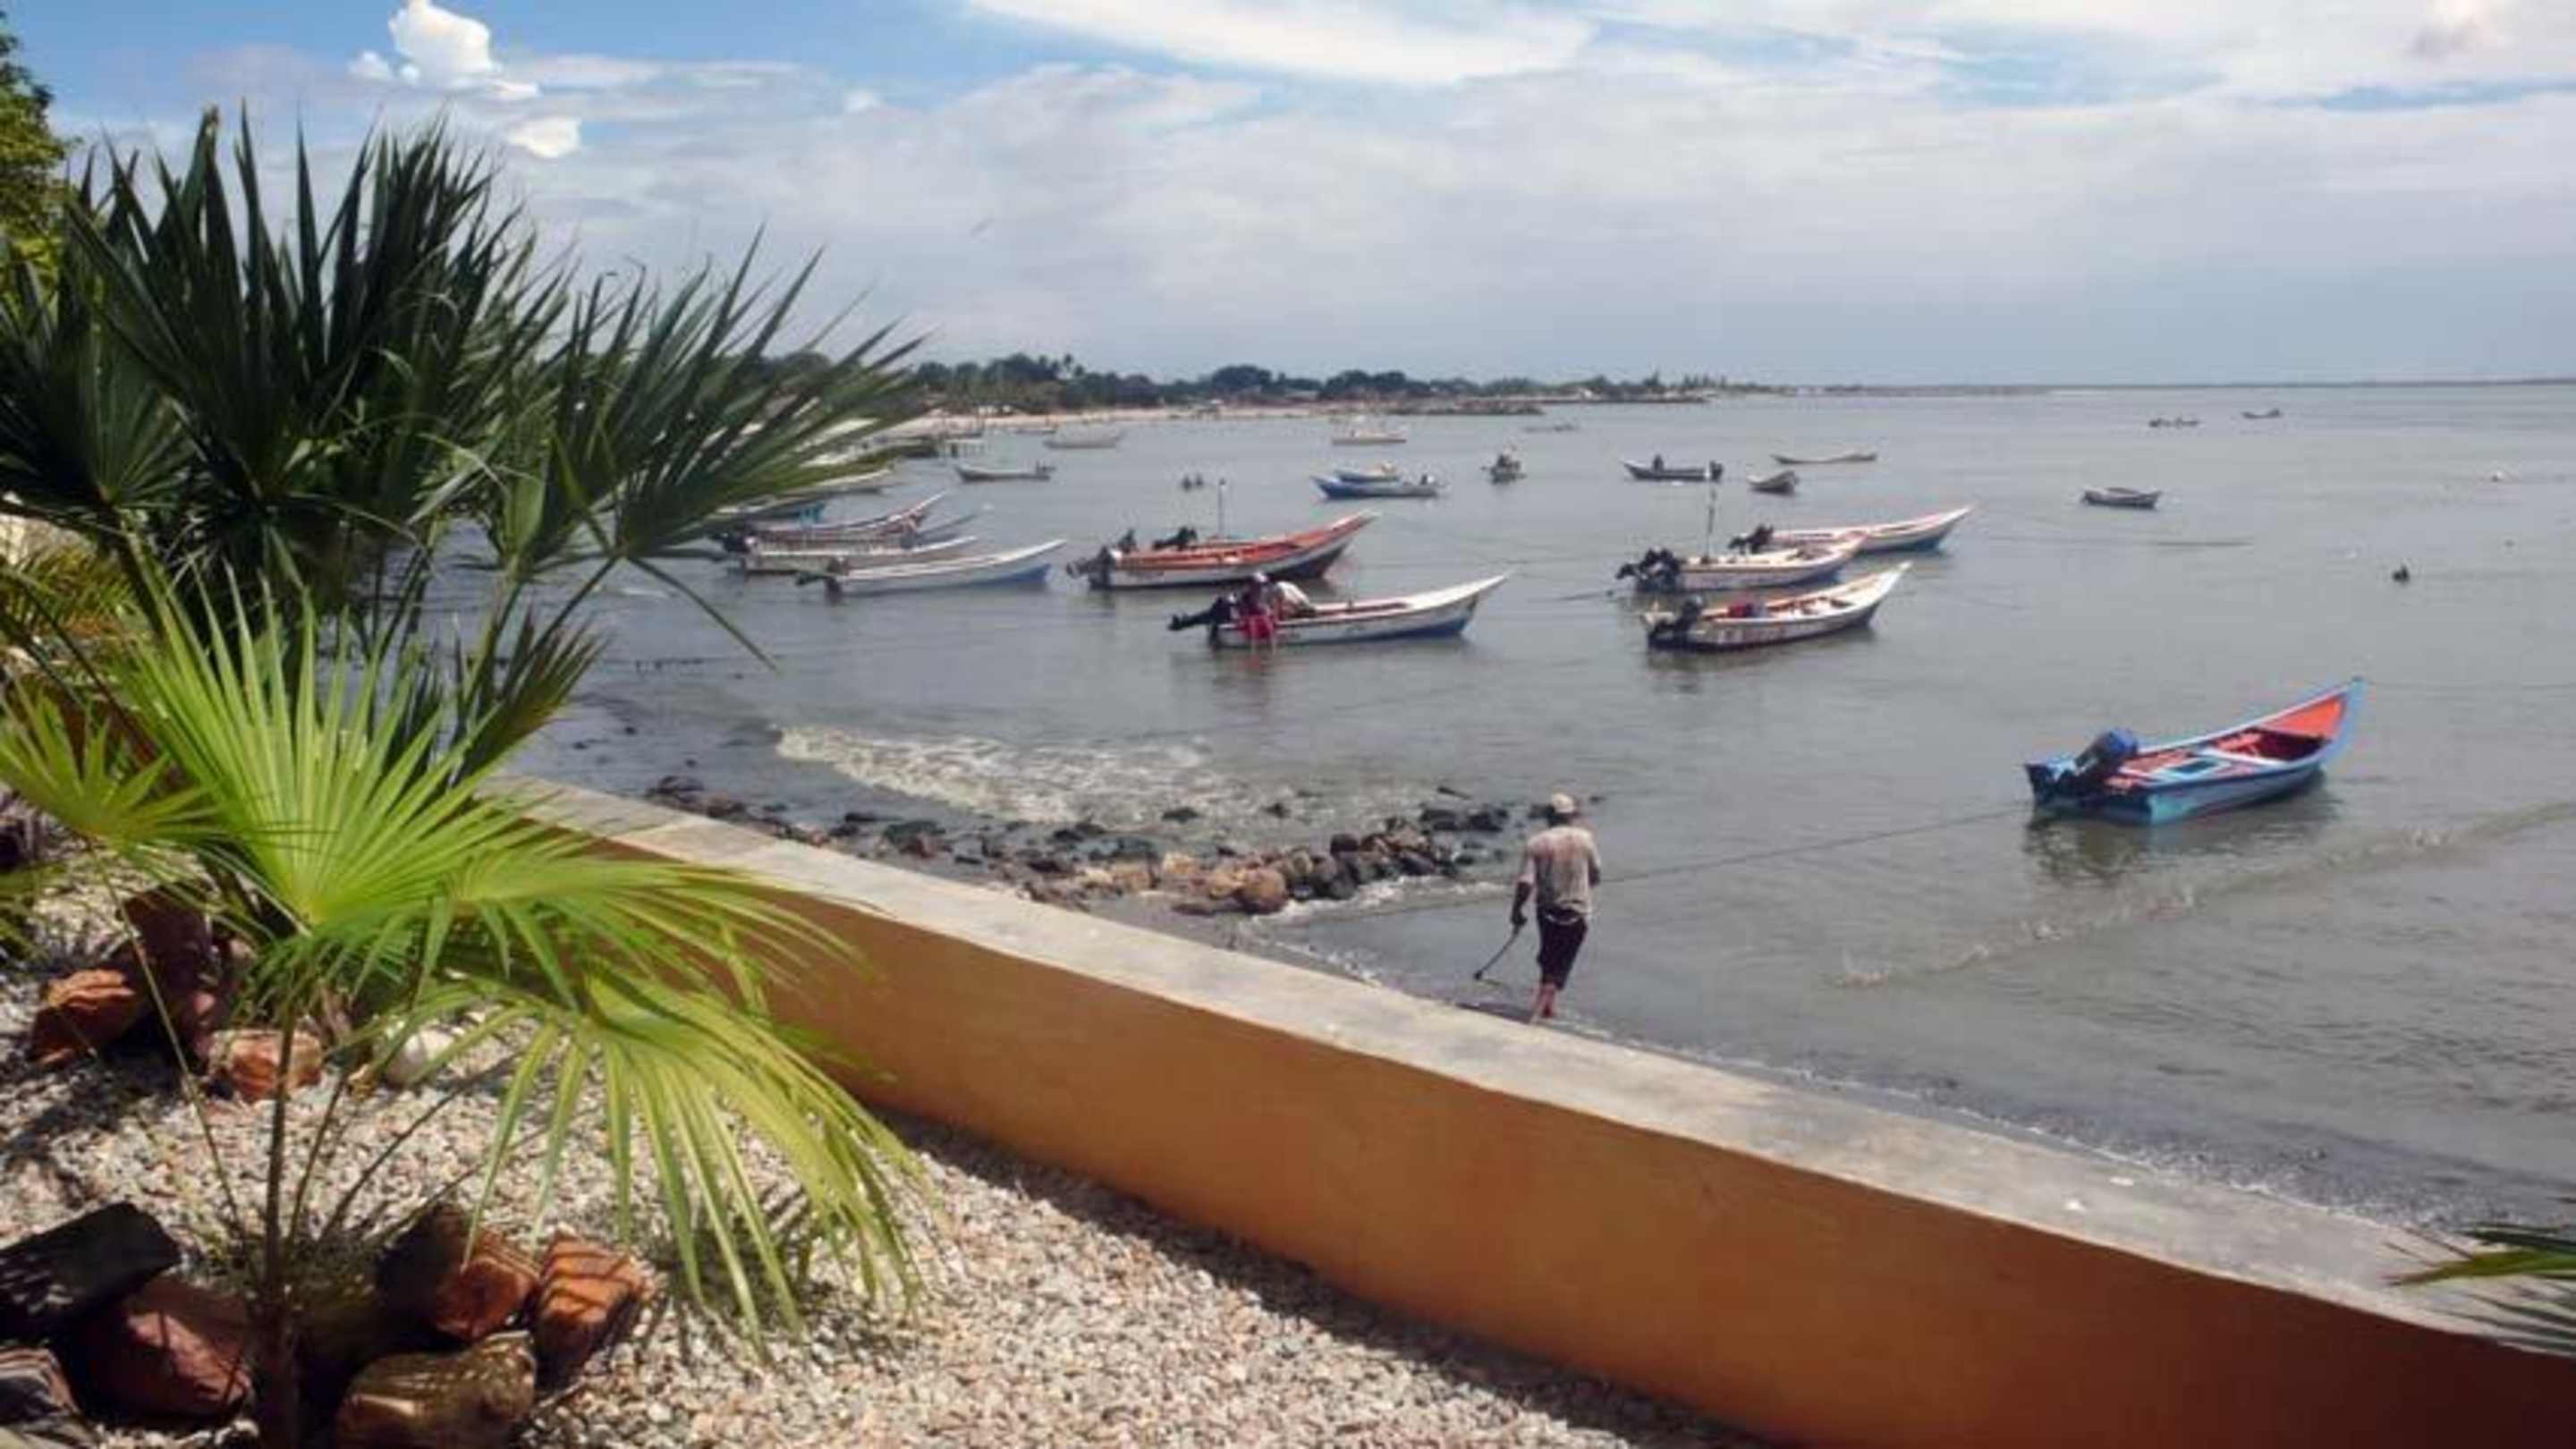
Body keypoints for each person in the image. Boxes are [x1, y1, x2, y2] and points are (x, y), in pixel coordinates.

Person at [1511, 792, 1602, 1023]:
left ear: (1549, 816)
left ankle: (1548, 1008)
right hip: (1578, 913)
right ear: (1571, 816)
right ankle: (1538, 1011)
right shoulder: (1585, 839)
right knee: (1560, 963)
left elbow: (1525, 882)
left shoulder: (1536, 843)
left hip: (1547, 912)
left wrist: (1516, 911)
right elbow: (1596, 875)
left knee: (1549, 958)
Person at [1238, 574, 1277, 648]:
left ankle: (1273, 650)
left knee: (1270, 632)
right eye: (1259, 584)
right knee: (1254, 633)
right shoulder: (1247, 593)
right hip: (1252, 616)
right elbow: (1242, 606)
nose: (1261, 586)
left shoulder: (1265, 591)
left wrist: (1271, 612)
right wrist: (1243, 617)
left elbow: (1271, 603)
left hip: (1263, 614)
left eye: (1262, 584)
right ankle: (1254, 651)